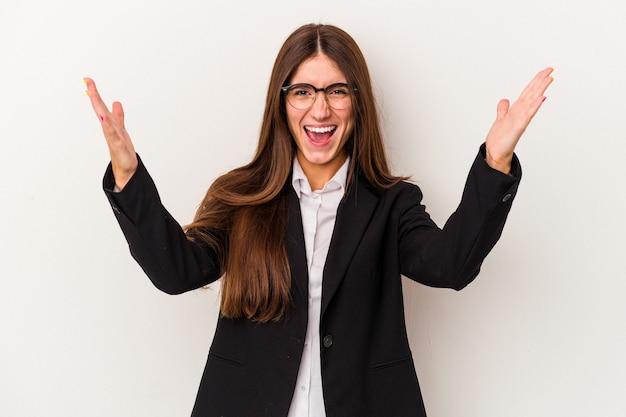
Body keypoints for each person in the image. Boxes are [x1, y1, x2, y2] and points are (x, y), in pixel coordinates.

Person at [85, 23, 553, 417]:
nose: (320, 109)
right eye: (303, 91)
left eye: (336, 91)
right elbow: (177, 271)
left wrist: (495, 163)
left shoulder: (392, 204)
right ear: (282, 102)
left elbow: (449, 266)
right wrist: (128, 176)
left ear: (357, 101)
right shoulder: (242, 196)